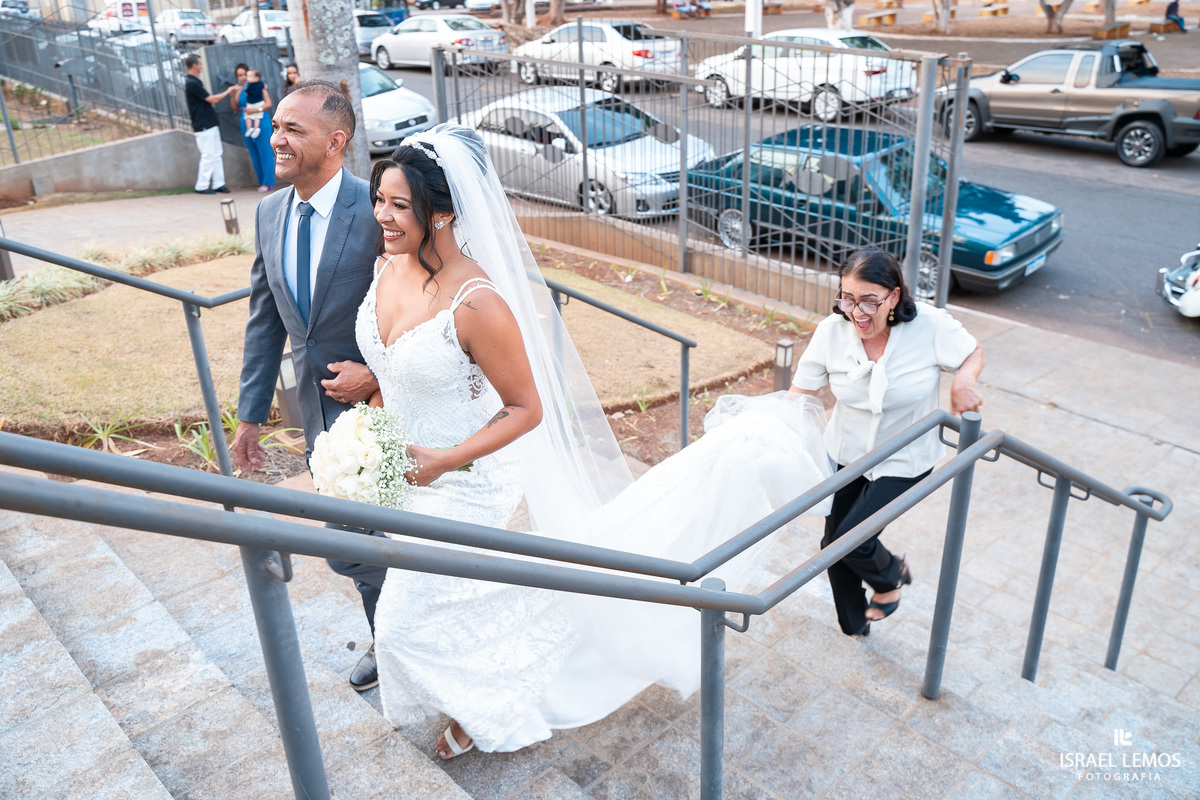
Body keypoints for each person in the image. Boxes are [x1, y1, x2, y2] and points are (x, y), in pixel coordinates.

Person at [360, 125, 834, 760]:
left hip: (463, 479)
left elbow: (527, 408)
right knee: (457, 601)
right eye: (380, 199)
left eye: (399, 205)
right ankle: (480, 687)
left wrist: (445, 459)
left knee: (400, 623)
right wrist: (372, 407)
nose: (383, 216)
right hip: (403, 474)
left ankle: (489, 707)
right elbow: (395, 363)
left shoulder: (478, 303)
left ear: (442, 213)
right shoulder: (387, 263)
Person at [231, 80, 385, 692]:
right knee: (351, 548)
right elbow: (264, 319)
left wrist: (378, 372)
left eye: (294, 129)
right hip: (319, 420)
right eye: (276, 128)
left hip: (388, 409)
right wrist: (250, 416)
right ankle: (388, 637)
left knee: (400, 539)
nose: (278, 139)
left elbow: (432, 306)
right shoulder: (269, 212)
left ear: (336, 140)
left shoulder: (379, 207)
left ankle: (412, 636)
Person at [791, 250, 984, 638]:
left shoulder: (930, 326)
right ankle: (854, 621)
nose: (856, 312)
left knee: (853, 541)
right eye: (847, 298)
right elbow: (800, 392)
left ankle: (890, 577)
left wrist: (963, 383)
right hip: (845, 452)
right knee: (833, 541)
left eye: (868, 301)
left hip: (905, 457)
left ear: (894, 297)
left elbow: (972, 353)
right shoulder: (832, 331)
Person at [183, 54, 233, 195]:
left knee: (216, 153)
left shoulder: (195, 82)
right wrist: (227, 92)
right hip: (203, 124)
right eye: (200, 63)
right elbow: (210, 99)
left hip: (209, 123)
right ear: (194, 66)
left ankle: (219, 183)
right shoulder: (192, 83)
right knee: (208, 155)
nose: (202, 66)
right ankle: (202, 185)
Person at [229, 63, 275, 193]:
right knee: (254, 154)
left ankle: (268, 183)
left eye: (245, 74)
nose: (243, 77)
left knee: (265, 152)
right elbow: (234, 108)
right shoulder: (239, 90)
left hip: (261, 121)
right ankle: (261, 182)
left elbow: (269, 103)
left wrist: (256, 109)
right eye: (240, 75)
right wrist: (232, 95)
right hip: (246, 122)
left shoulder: (260, 86)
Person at [242, 68, 267, 139]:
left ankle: (250, 128)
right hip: (259, 102)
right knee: (257, 117)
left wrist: (246, 91)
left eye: (249, 76)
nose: (247, 78)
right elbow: (264, 86)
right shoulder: (261, 84)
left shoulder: (250, 85)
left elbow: (247, 92)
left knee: (248, 116)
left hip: (252, 103)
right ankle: (255, 128)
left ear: (256, 78)